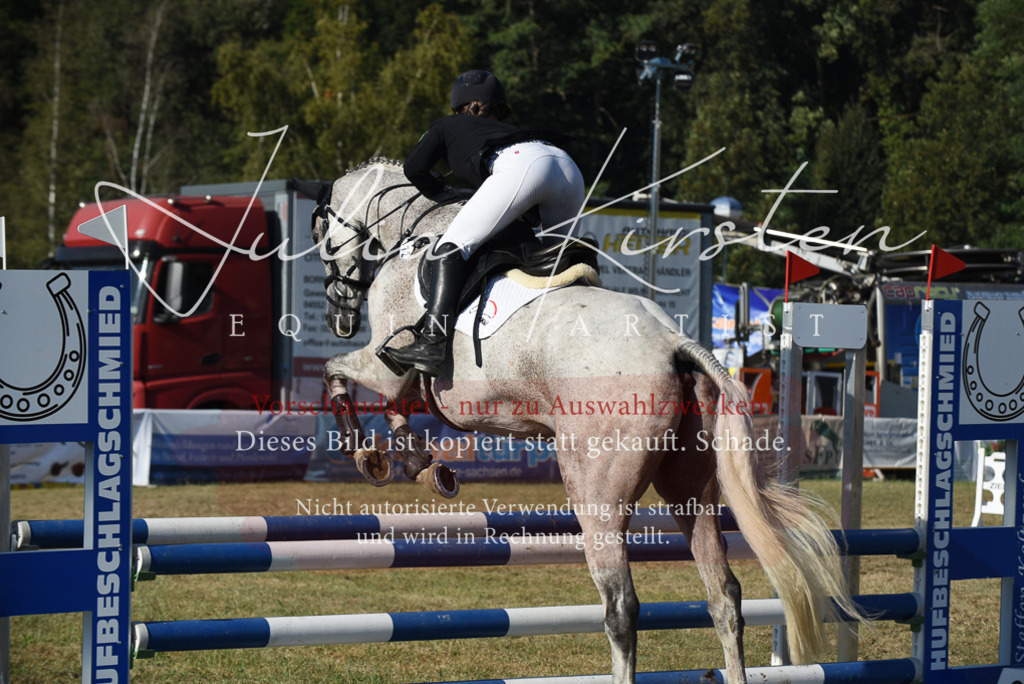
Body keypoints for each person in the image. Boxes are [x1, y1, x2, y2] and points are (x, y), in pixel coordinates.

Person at [385, 69, 585, 377]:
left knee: (450, 248)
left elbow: (414, 168)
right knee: (562, 259)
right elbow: (524, 214)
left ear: (457, 107)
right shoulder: (506, 129)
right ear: (501, 108)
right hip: (566, 165)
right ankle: (585, 316)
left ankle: (432, 343)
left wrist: (439, 191)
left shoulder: (446, 125)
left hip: (521, 163)